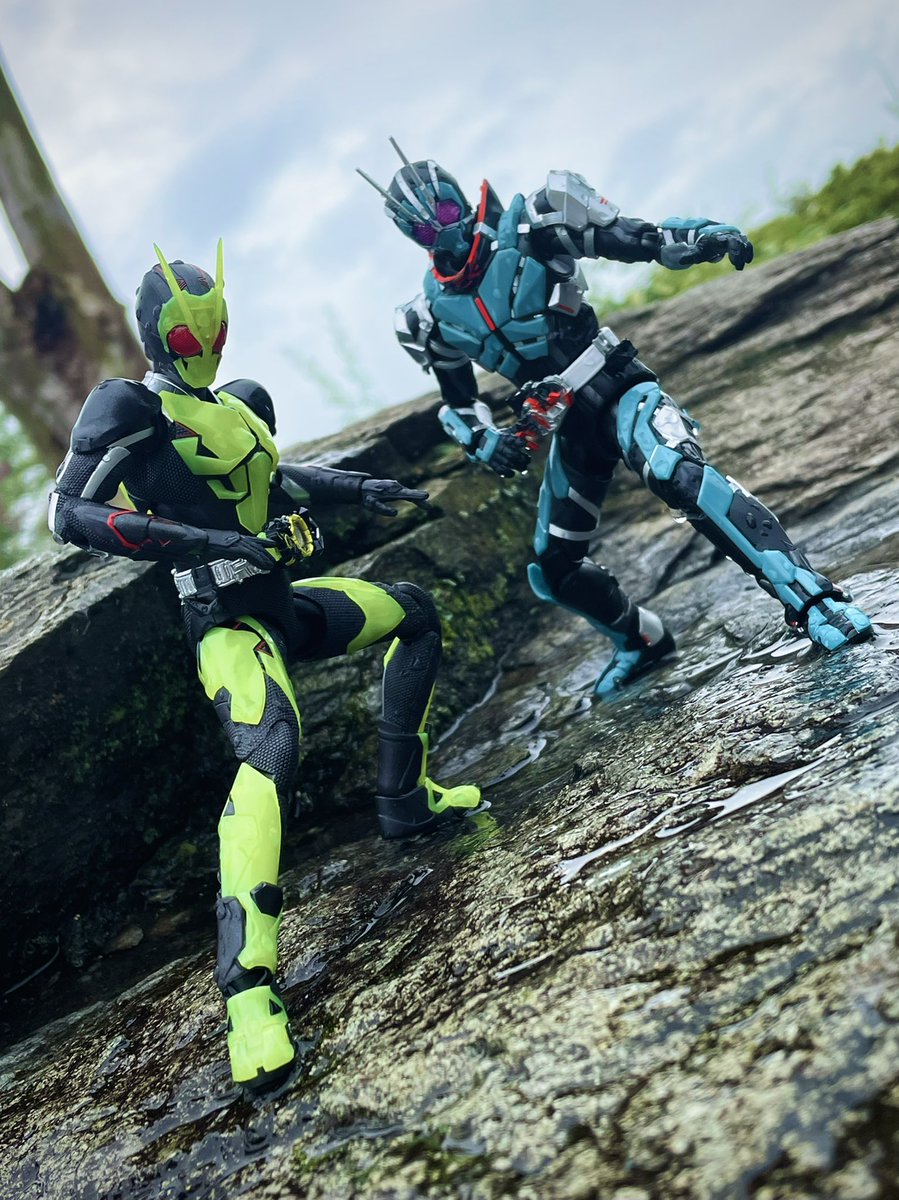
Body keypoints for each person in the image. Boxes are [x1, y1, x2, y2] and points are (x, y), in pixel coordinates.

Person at [48, 242, 480, 1094]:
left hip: (284, 606)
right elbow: (67, 512)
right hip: (224, 621)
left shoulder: (237, 405)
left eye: (214, 328)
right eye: (189, 332)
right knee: (271, 750)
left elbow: (278, 478)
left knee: (412, 611)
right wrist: (203, 540)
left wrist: (357, 489)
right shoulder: (130, 407)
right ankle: (248, 994)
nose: (205, 345)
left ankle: (404, 799)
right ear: (157, 334)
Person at [358, 144, 872, 696]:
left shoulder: (534, 225)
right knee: (553, 567)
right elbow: (458, 403)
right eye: (425, 228)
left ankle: (813, 600)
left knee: (678, 474)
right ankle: (641, 640)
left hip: (616, 385)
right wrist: (485, 440)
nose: (444, 231)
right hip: (570, 427)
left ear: (461, 199)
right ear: (411, 237)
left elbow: (636, 237)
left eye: (444, 212)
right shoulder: (431, 316)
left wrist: (701, 238)